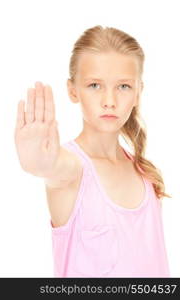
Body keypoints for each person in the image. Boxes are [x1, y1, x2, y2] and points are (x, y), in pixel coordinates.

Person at [14, 25, 171, 278]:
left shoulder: (144, 173)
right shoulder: (73, 168)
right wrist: (39, 162)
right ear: (72, 90)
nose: (109, 100)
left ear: (139, 92)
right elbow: (54, 168)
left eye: (123, 87)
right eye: (95, 85)